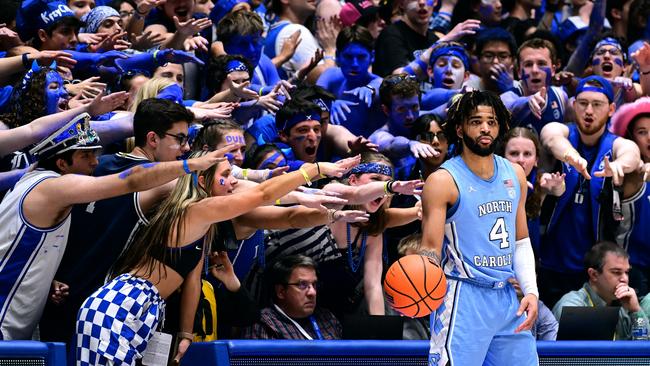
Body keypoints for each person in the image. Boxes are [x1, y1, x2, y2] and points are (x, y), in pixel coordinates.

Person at [74, 151, 357, 364]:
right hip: (120, 304)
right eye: (226, 174)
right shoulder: (194, 211)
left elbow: (192, 283)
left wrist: (186, 334)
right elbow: (261, 193)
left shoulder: (205, 225)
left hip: (149, 309)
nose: (233, 181)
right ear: (202, 180)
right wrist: (313, 170)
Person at [0, 112, 226, 340]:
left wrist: (48, 278)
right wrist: (190, 165)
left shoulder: (31, 181)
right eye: (86, 156)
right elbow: (131, 180)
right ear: (61, 163)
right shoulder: (55, 187)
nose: (95, 162)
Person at [420, 91, 538, 366]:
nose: (485, 128)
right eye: (476, 122)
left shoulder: (515, 174)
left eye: (492, 122)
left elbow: (521, 241)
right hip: (462, 296)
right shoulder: (442, 181)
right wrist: (421, 280)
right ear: (460, 129)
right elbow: (430, 250)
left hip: (507, 297)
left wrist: (531, 290)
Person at [539, 76, 641, 307]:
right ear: (574, 105)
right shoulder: (563, 133)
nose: (589, 110)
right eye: (583, 103)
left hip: (595, 273)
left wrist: (618, 166)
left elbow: (631, 153)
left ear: (612, 109)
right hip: (551, 264)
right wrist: (573, 157)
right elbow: (550, 136)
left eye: (597, 104)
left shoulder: (615, 144)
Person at [552, 242, 650, 340]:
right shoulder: (572, 306)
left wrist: (636, 311)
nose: (624, 279)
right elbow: (584, 353)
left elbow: (642, 347)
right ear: (594, 274)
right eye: (616, 272)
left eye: (627, 272)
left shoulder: (625, 307)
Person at [240, 255, 342, 340]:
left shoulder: (327, 318)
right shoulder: (264, 324)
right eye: (302, 284)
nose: (312, 292)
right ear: (281, 291)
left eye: (314, 284)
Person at [500, 127, 565, 254]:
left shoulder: (540, 180)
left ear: (536, 160)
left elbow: (558, 189)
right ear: (502, 157)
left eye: (527, 154)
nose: (521, 160)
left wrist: (557, 185)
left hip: (529, 258)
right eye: (514, 153)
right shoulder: (491, 181)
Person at [609, 97, 650, 296]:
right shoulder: (630, 174)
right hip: (633, 269)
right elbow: (635, 167)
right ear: (632, 138)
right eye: (642, 132)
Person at [501, 38, 568, 135]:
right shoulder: (506, 97)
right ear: (519, 72)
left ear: (553, 70)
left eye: (541, 64)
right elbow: (510, 105)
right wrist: (528, 101)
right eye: (528, 64)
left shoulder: (561, 96)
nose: (535, 70)